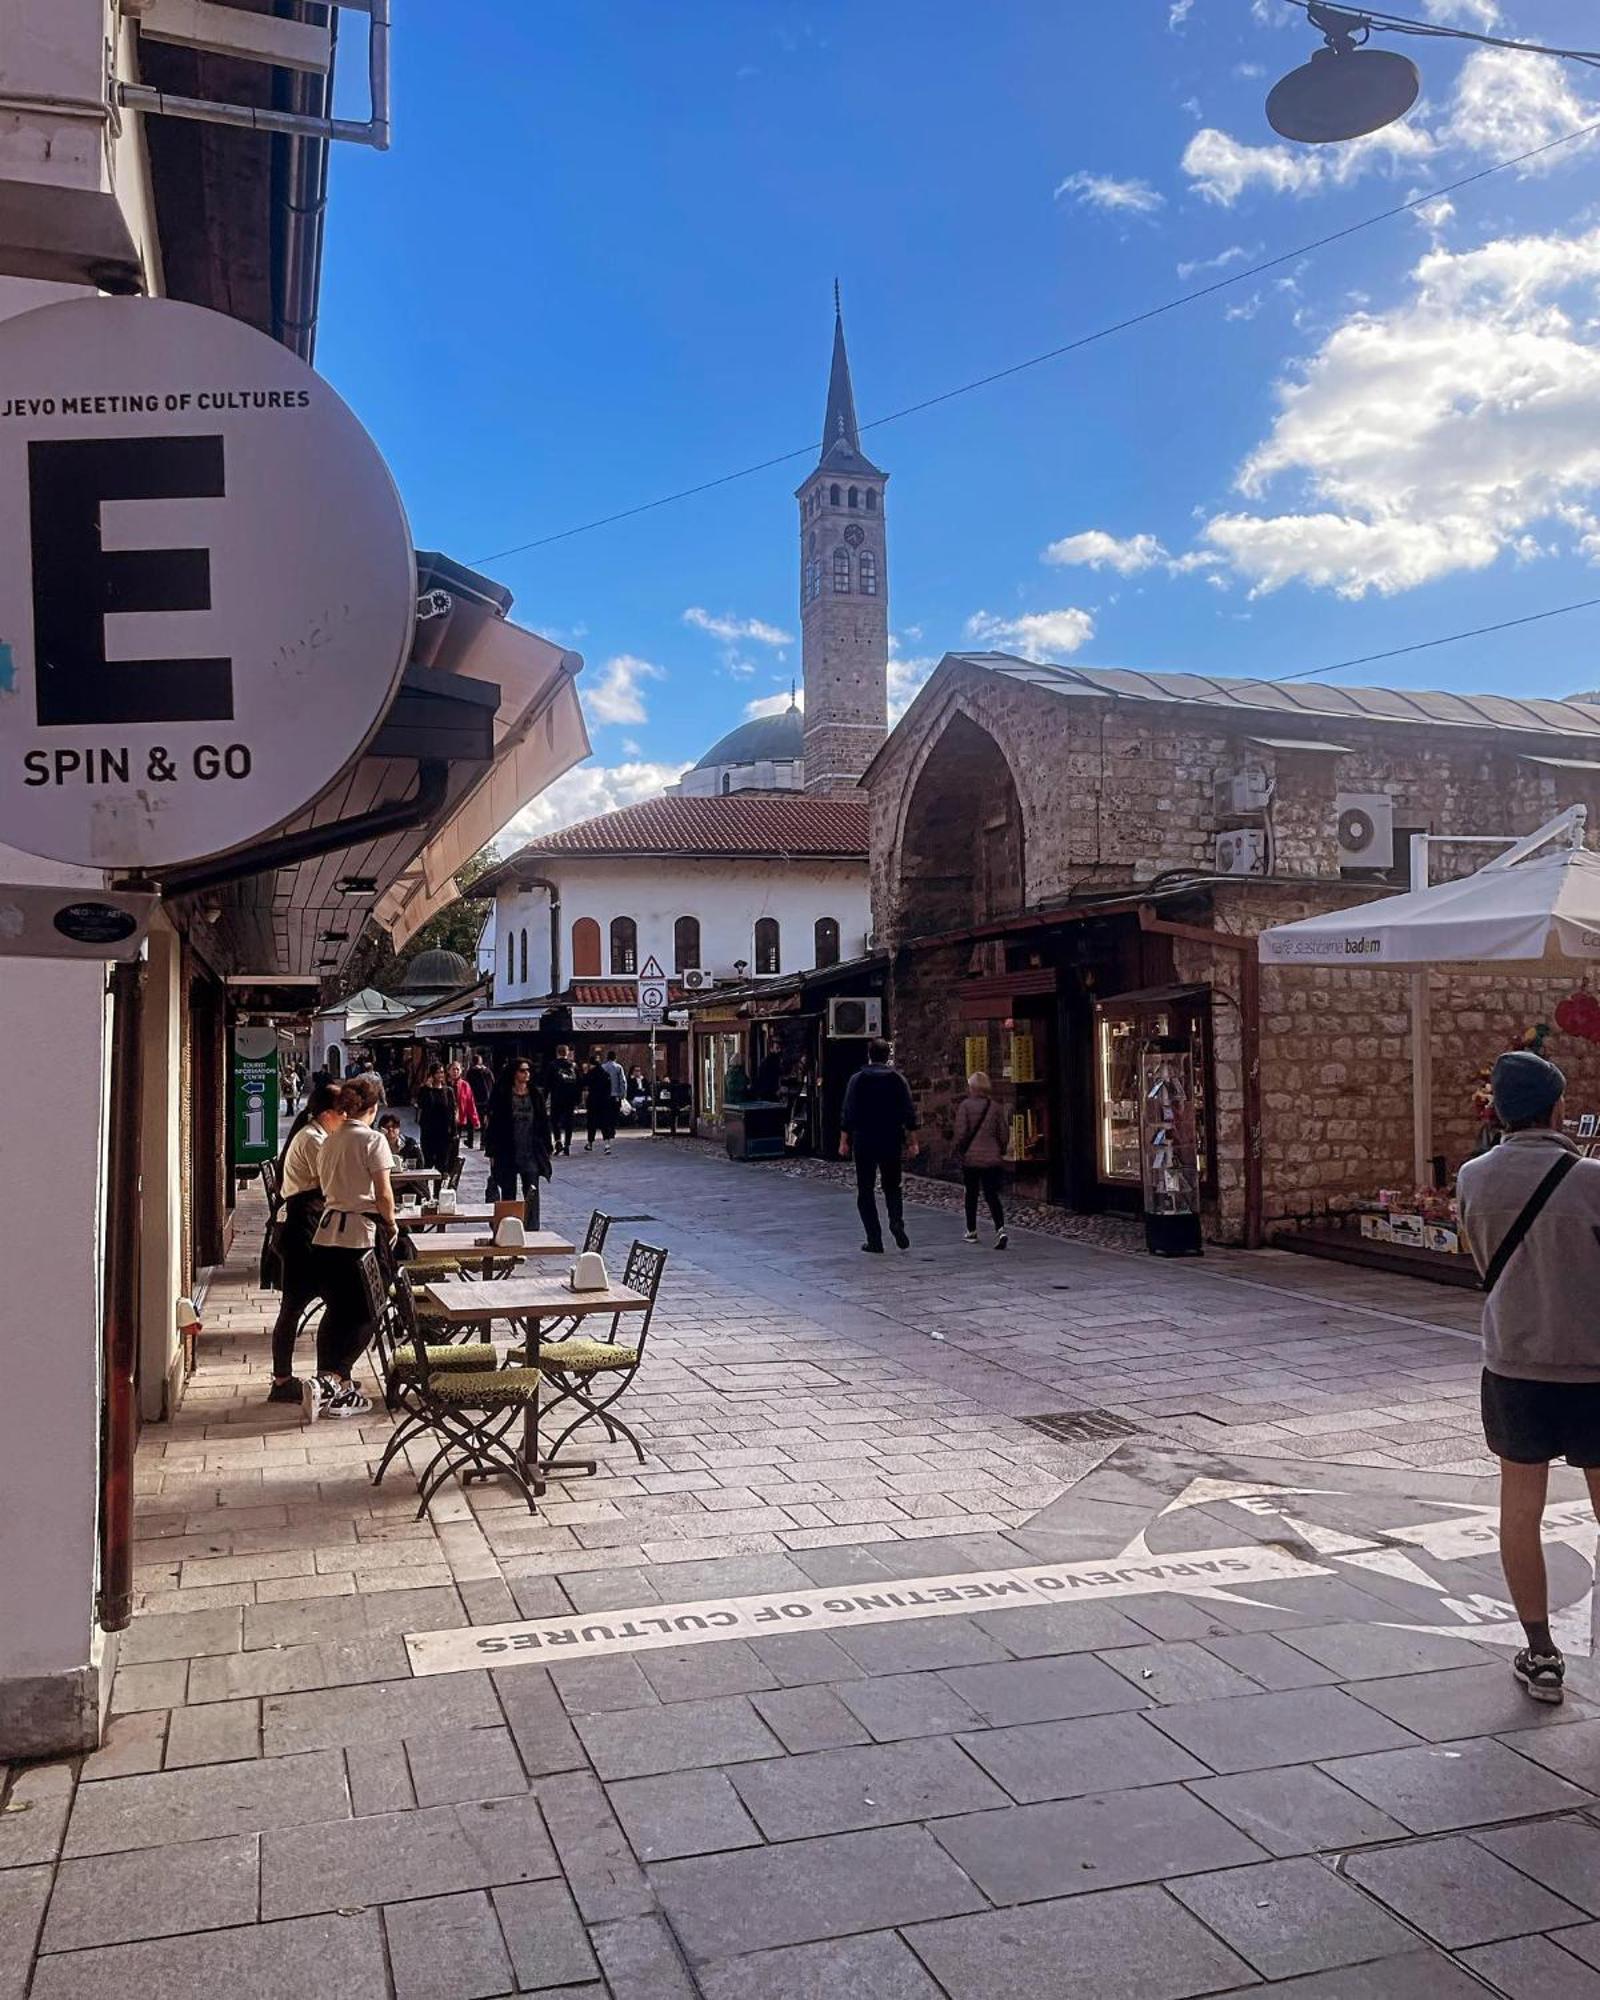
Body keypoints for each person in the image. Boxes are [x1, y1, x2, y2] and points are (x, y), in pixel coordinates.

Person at [1457, 1049, 1600, 1707]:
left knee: (1520, 1509)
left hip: (1513, 1362)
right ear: (1556, 1106)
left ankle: (1541, 1651)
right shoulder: (1590, 1178)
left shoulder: (1472, 1178)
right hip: (1592, 1364)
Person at [304, 1074, 395, 1420]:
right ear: (372, 1108)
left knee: (336, 1309)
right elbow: (383, 1194)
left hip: (326, 1234)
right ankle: (338, 1379)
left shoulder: (328, 1139)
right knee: (371, 1308)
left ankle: (324, 1379)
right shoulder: (373, 1141)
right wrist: (392, 1222)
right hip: (360, 1235)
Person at [266, 1082, 346, 1404]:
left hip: (307, 1227)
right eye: (342, 1112)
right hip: (301, 1230)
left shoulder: (318, 1136)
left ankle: (326, 1373)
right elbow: (333, 1184)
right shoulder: (313, 1140)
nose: (345, 1118)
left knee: (312, 1303)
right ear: (327, 1114)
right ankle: (285, 1379)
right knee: (295, 1307)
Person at [840, 1039, 918, 1254]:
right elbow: (908, 1111)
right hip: (890, 1137)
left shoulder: (858, 1080)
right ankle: (896, 1221)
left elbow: (849, 1112)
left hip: (864, 1138)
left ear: (869, 1055)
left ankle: (874, 1239)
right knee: (892, 1185)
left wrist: (844, 1140)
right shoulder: (897, 1080)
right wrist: (912, 1141)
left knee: (865, 1190)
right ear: (887, 1055)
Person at [486, 1057, 553, 1224]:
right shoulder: (502, 1093)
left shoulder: (535, 1094)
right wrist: (491, 1151)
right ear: (514, 1073)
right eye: (522, 1071)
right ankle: (509, 1228)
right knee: (509, 1193)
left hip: (530, 1150)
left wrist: (547, 1146)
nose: (526, 1074)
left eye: (528, 1070)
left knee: (532, 1192)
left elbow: (543, 1121)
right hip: (508, 1150)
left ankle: (531, 1229)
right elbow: (494, 1125)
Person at [952, 1071, 1010, 1250]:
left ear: (972, 1087)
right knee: (992, 1194)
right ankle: (1000, 1229)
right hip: (992, 1159)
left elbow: (961, 1133)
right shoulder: (996, 1107)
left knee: (971, 1194)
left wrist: (958, 1149)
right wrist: (1000, 1150)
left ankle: (971, 1230)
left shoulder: (966, 1106)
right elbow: (1004, 1134)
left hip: (971, 1159)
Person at [414, 1060, 456, 1176]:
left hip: (444, 1133)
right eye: (437, 1073)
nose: (440, 1075)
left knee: (442, 1166)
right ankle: (426, 1191)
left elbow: (452, 1111)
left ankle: (438, 1193)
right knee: (427, 1163)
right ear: (432, 1074)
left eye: (442, 1072)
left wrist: (454, 1131)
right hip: (429, 1132)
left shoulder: (448, 1091)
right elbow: (422, 1105)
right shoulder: (425, 1090)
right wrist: (428, 1088)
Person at [547, 1045, 579, 1157]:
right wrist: (577, 1099)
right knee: (569, 1122)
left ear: (557, 1053)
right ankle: (567, 1145)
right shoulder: (573, 1066)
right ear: (567, 1053)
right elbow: (578, 1083)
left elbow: (547, 1083)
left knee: (555, 1120)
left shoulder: (552, 1065)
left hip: (556, 1097)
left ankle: (558, 1141)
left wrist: (545, 1096)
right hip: (570, 1098)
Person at [584, 1053, 618, 1154]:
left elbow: (584, 1083)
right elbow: (609, 1088)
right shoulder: (605, 1074)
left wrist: (585, 1072)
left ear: (591, 1064)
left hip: (593, 1101)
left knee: (591, 1123)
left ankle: (590, 1143)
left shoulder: (590, 1073)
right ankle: (607, 1145)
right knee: (605, 1124)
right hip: (604, 1101)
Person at [449, 1059, 481, 1152]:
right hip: (445, 1120)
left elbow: (470, 1104)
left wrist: (475, 1120)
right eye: (453, 1069)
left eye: (457, 1069)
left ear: (461, 1071)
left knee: (455, 1146)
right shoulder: (444, 1084)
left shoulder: (465, 1085)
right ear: (449, 1071)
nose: (455, 1071)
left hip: (458, 1120)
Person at [466, 1051, 494, 1133]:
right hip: (486, 1099)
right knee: (484, 1119)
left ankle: (470, 1140)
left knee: (471, 1119)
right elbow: (493, 1082)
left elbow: (468, 1086)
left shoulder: (470, 1072)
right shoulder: (488, 1072)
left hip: (474, 1099)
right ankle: (483, 1141)